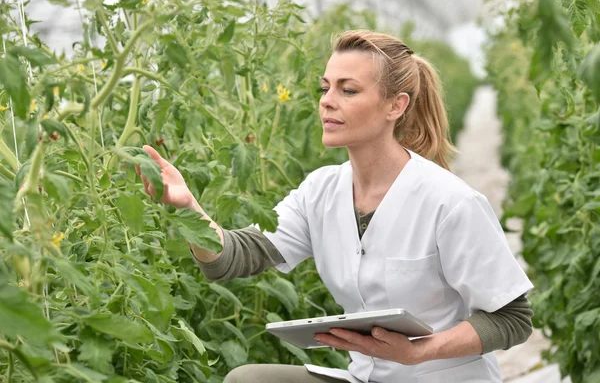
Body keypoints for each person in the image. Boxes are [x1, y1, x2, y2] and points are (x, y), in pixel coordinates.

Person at [136, 30, 534, 383]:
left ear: (395, 106)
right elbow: (233, 259)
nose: (327, 102)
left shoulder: (450, 202)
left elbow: (511, 319)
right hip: (364, 377)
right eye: (325, 88)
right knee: (250, 379)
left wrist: (419, 351)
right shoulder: (321, 190)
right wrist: (188, 207)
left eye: (348, 90)